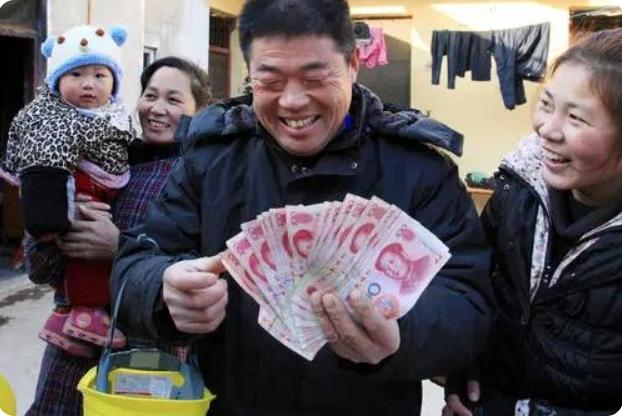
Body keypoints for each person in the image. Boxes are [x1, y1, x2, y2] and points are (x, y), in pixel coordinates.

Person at [111, 1, 493, 414]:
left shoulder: (420, 171)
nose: (292, 101)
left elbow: (469, 303)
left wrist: (402, 335)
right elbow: (135, 263)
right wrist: (162, 290)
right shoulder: (210, 160)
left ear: (352, 64)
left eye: (314, 77)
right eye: (270, 80)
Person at [443, 29, 622, 416]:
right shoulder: (517, 189)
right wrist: (464, 362)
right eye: (546, 104)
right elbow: (476, 287)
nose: (547, 129)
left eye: (576, 118)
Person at [23, 56, 210, 416]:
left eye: (173, 99)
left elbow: (205, 270)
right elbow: (40, 272)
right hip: (70, 348)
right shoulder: (103, 164)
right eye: (150, 95)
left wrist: (118, 248)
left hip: (147, 359)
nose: (157, 108)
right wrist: (49, 225)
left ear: (199, 110)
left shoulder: (201, 177)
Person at [0, 24, 135, 356]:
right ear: (57, 81)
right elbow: (44, 164)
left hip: (98, 200)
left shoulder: (111, 116)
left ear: (114, 82)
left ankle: (64, 314)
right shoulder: (52, 120)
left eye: (100, 75)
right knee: (87, 258)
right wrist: (49, 220)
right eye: (76, 74)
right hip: (80, 195)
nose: (88, 83)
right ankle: (87, 313)